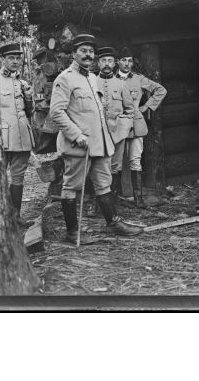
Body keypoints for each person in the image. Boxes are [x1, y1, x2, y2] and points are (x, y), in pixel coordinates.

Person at [50, 34, 142, 244]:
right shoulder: (64, 78)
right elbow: (56, 112)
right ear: (74, 53)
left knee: (104, 184)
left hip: (100, 144)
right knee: (71, 186)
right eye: (83, 50)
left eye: (91, 51)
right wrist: (76, 135)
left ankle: (114, 224)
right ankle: (72, 231)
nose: (88, 54)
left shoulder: (92, 78)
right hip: (79, 145)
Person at [115, 47, 167, 206]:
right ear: (118, 62)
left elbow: (160, 90)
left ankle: (138, 198)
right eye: (123, 60)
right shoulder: (110, 79)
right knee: (115, 162)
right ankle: (116, 197)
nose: (127, 63)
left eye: (129, 60)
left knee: (135, 160)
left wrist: (147, 107)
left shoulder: (138, 79)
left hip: (135, 125)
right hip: (116, 126)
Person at [0, 42, 35, 228]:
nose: (15, 61)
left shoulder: (22, 83)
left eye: (18, 58)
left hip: (22, 136)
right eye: (11, 58)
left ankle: (16, 216)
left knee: (18, 176)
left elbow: (30, 112)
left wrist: (28, 97)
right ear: (2, 59)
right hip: (2, 137)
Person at [95, 46, 135, 203]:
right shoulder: (92, 82)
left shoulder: (121, 84)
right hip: (97, 132)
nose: (106, 64)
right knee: (97, 165)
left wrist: (123, 127)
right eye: (103, 60)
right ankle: (96, 202)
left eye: (110, 61)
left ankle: (114, 200)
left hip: (117, 132)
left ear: (114, 64)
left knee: (116, 166)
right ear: (98, 63)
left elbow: (130, 110)